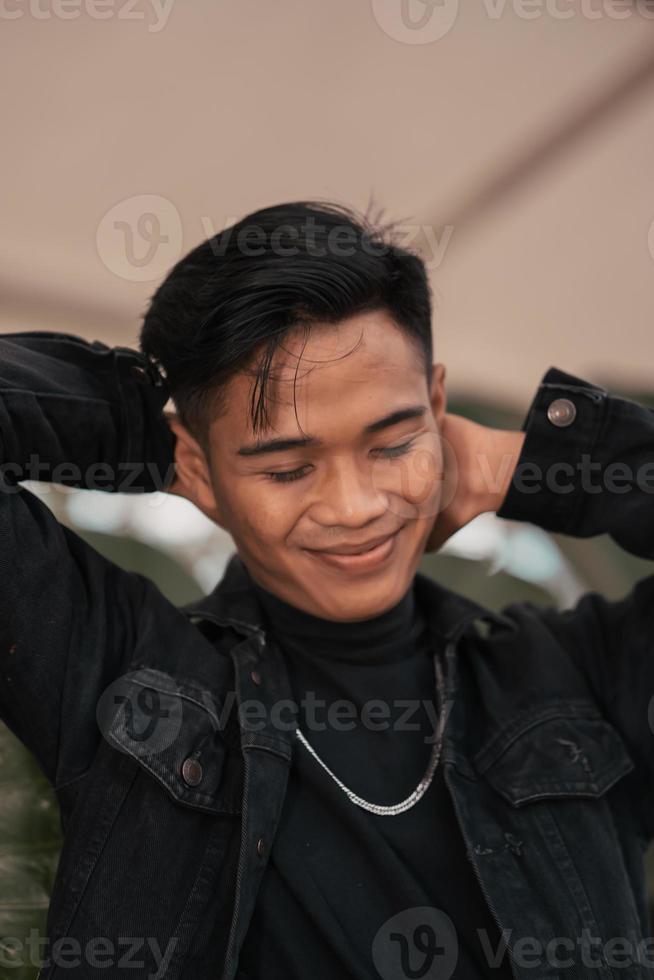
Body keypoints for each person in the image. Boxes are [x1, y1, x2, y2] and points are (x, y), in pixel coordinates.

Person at [0, 201, 652, 980]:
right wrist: (154, 436)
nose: (355, 508)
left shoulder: (577, 678)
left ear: (439, 410)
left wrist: (517, 464)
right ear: (203, 467)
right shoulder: (125, 674)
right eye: (285, 467)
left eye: (393, 442)